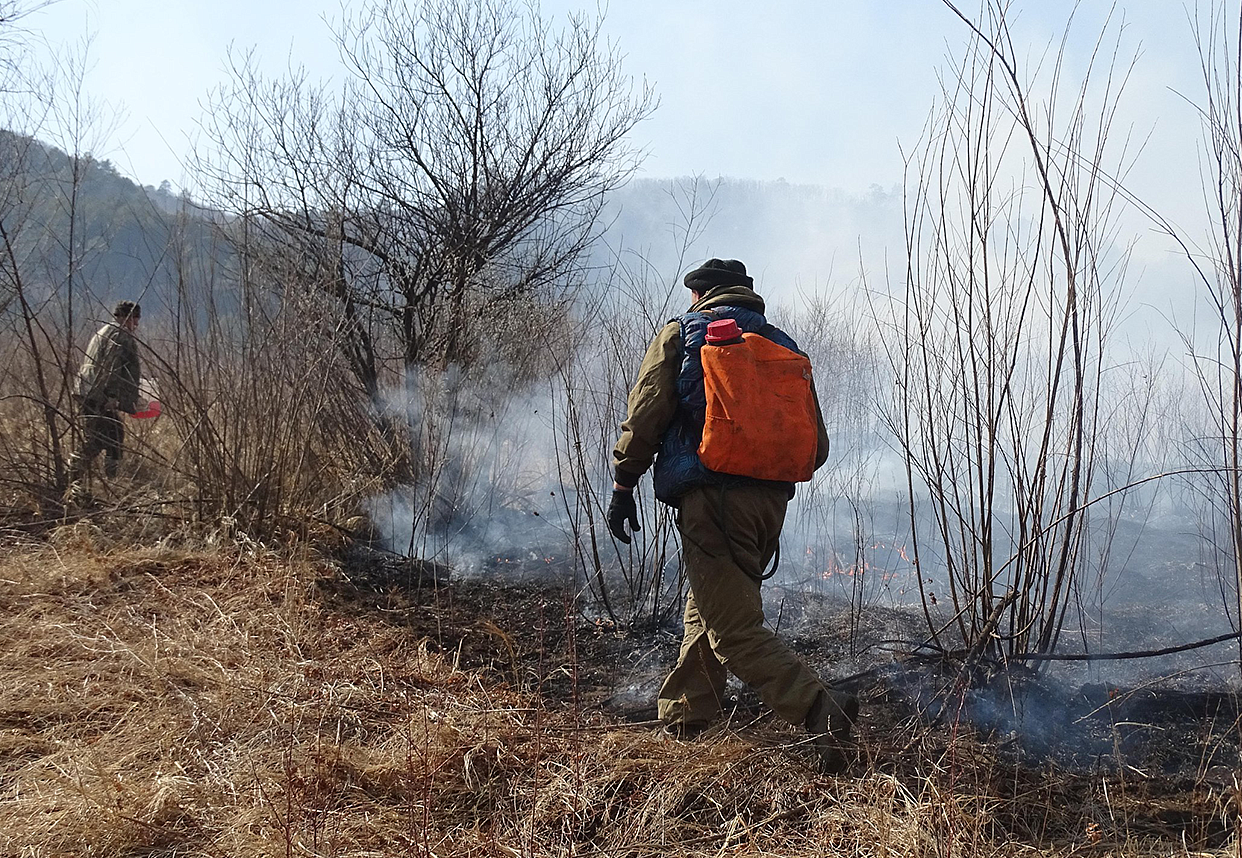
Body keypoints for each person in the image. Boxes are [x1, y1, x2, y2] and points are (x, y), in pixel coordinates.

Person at [607, 258, 860, 774]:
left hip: (712, 501)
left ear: (700, 294)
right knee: (711, 606)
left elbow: (646, 413)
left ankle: (820, 709)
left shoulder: (685, 334)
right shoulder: (784, 345)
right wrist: (763, 478)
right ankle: (687, 719)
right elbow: (819, 446)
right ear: (746, 293)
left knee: (734, 632)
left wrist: (623, 483)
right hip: (769, 505)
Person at [66, 300, 142, 486]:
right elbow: (112, 367)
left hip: (87, 390)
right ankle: (85, 477)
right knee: (106, 436)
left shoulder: (104, 332)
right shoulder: (121, 336)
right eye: (135, 319)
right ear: (127, 318)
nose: (137, 324)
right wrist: (112, 396)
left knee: (109, 433)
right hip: (99, 393)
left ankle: (80, 476)